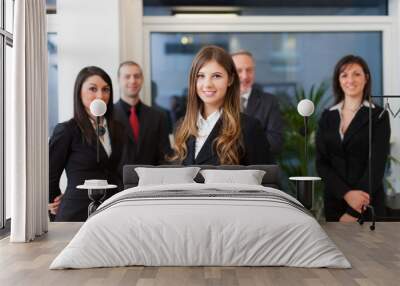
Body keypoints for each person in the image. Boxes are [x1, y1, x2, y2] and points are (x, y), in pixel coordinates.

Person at [316, 55, 391, 222]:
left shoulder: (378, 116)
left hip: (368, 204)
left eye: (356, 74)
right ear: (338, 80)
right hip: (335, 202)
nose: (350, 79)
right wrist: (346, 194)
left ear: (366, 78)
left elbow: (377, 164)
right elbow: (321, 163)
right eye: (344, 75)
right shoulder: (327, 116)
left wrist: (354, 210)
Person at [170, 45, 274, 165]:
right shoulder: (182, 127)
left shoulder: (249, 128)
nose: (207, 84)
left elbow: (267, 180)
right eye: (201, 76)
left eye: (216, 76)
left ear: (230, 79)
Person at [49, 66, 125, 222]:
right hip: (77, 213)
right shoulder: (67, 130)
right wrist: (53, 203)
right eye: (93, 89)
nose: (100, 95)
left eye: (106, 90)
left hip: (112, 212)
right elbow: (50, 175)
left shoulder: (118, 129)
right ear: (79, 92)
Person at [114, 61, 171, 165]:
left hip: (151, 180)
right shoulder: (108, 116)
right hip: (116, 180)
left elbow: (165, 156)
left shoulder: (158, 116)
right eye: (127, 76)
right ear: (118, 80)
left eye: (137, 76)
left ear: (142, 79)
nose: (132, 81)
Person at [231, 50, 284, 160]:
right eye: (239, 70)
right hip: (225, 171)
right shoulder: (218, 102)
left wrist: (233, 144)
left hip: (260, 170)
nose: (245, 76)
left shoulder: (269, 102)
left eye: (249, 70)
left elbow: (275, 143)